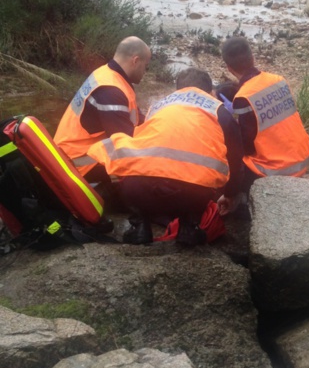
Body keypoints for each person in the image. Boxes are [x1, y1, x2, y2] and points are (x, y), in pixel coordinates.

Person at [87, 68, 244, 245]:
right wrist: (230, 194)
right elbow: (236, 159)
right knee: (201, 176)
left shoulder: (158, 107)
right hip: (190, 195)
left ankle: (140, 226)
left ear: (177, 89)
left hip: (140, 192)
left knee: (139, 167)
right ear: (210, 92)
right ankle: (188, 228)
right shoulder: (219, 111)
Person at [218, 36, 309, 210]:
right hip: (302, 160)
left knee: (230, 155)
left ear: (229, 68)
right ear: (252, 58)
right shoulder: (278, 80)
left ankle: (244, 201)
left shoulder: (243, 98)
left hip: (277, 172)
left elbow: (245, 146)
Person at [54, 36, 151, 180]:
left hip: (69, 152)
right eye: (145, 66)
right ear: (135, 61)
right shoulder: (111, 91)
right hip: (78, 164)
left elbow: (135, 117)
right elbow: (125, 145)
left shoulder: (106, 74)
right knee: (146, 171)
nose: (145, 72)